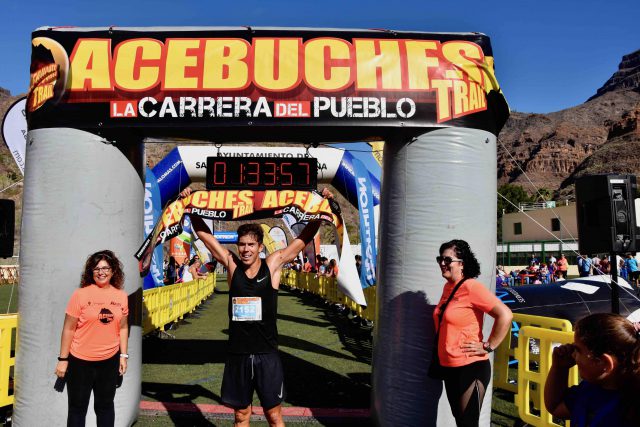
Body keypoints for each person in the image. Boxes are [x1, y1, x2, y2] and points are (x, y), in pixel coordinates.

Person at [184, 187, 334, 427]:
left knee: (274, 416)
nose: (245, 249)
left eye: (251, 245)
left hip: (267, 354)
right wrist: (190, 210)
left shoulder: (272, 265)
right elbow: (205, 237)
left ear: (260, 247)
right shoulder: (232, 265)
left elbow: (301, 241)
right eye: (242, 244)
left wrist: (321, 209)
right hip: (238, 354)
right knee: (241, 416)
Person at [433, 239, 513, 427]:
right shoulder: (448, 287)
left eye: (447, 259)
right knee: (461, 421)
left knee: (468, 424)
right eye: (439, 259)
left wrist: (489, 345)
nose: (442, 263)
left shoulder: (471, 287)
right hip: (449, 366)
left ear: (461, 264)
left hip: (471, 366)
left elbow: (505, 314)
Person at [55, 250, 129, 427]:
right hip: (80, 362)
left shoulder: (121, 297)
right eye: (96, 269)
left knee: (105, 407)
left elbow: (123, 327)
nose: (101, 272)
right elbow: (68, 328)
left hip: (109, 362)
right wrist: (63, 360)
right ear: (91, 272)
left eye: (105, 268)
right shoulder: (80, 295)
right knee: (77, 409)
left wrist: (123, 356)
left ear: (113, 271)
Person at [544, 313, 640, 427]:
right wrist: (559, 368)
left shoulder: (629, 408)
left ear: (603, 362)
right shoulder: (589, 388)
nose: (573, 355)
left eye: (578, 350)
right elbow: (556, 407)